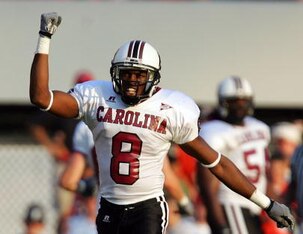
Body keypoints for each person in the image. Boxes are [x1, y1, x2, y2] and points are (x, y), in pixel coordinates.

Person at [29, 12, 294, 234]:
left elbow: (218, 164)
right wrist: (45, 38)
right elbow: (41, 97)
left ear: (153, 78)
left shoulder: (171, 109)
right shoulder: (96, 97)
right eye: (127, 73)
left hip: (147, 208)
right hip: (108, 206)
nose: (132, 81)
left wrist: (267, 204)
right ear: (115, 73)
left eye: (139, 75)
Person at [197, 76, 272, 234]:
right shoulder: (213, 131)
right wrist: (218, 222)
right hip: (232, 203)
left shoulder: (260, 127)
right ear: (223, 102)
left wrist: (272, 204)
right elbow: (207, 184)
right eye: (233, 101)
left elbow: (267, 173)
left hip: (258, 205)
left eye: (244, 101)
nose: (240, 105)